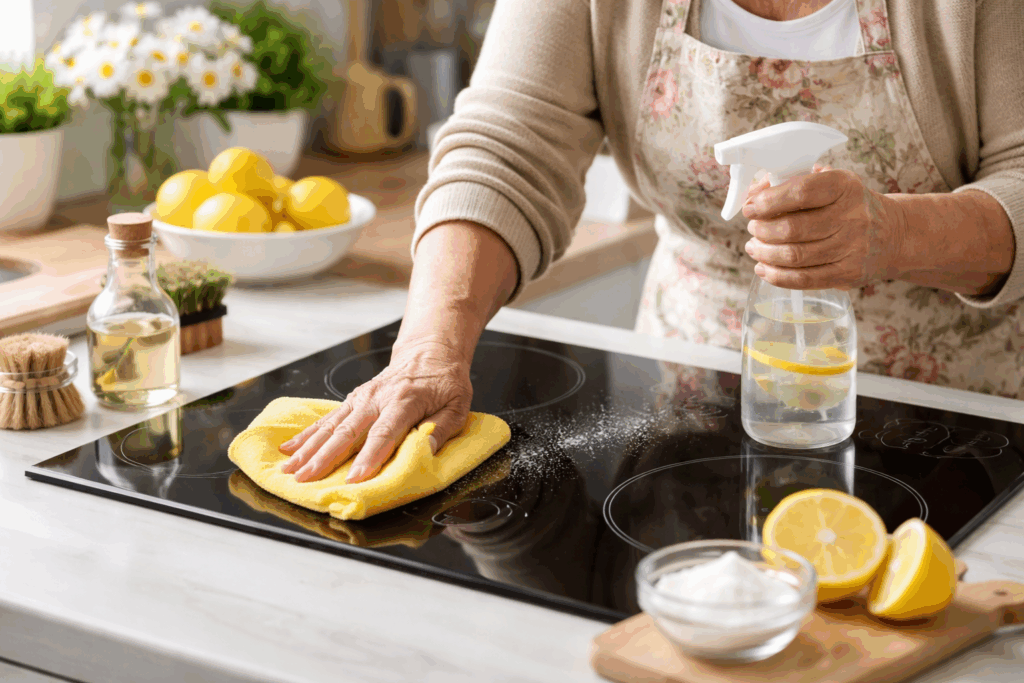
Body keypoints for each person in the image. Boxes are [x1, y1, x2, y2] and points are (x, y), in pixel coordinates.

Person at [279, 0, 1024, 484]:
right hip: (687, 402)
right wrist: (428, 351)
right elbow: (508, 145)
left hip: (968, 417)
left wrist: (897, 233)